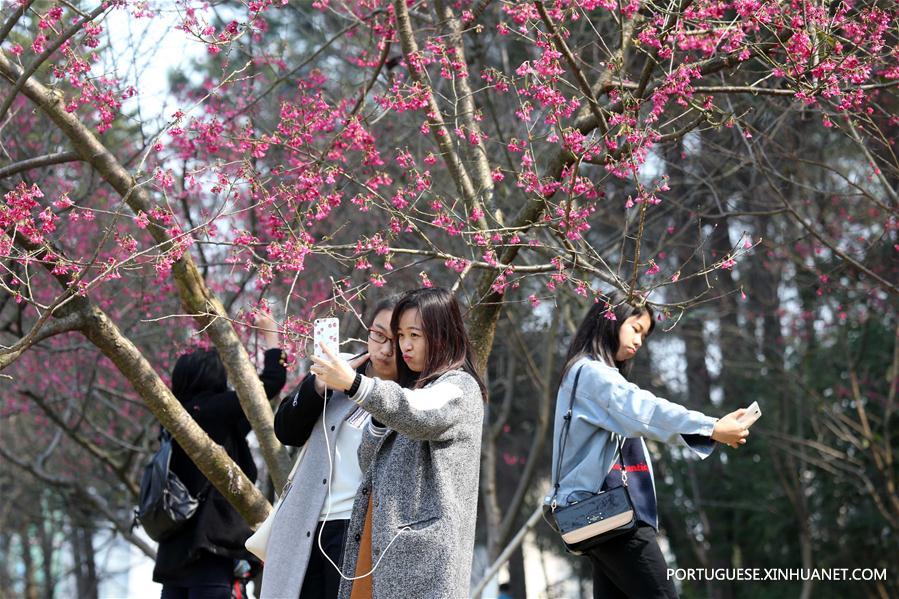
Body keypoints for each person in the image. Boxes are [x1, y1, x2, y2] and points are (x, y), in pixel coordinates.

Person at [544, 291, 750, 599]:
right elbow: (645, 411)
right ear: (609, 320)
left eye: (645, 335)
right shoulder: (591, 374)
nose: (640, 341)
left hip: (604, 518)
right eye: (636, 329)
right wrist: (711, 427)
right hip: (611, 516)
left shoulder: (591, 374)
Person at [309, 287, 487, 599]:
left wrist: (355, 384)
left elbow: (420, 414)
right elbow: (368, 459)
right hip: (378, 551)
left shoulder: (459, 387)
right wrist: (379, 417)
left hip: (423, 566)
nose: (404, 345)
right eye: (400, 334)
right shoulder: (411, 392)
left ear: (443, 334)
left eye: (414, 335)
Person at [260, 295, 401, 599]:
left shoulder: (411, 398)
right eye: (378, 334)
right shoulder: (343, 368)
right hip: (306, 526)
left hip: (360, 534)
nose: (385, 348)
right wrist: (319, 385)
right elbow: (286, 430)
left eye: (397, 338)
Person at [153, 313, 287, 599]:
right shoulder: (214, 410)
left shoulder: (172, 418)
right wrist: (271, 337)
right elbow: (270, 384)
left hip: (174, 550)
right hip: (209, 548)